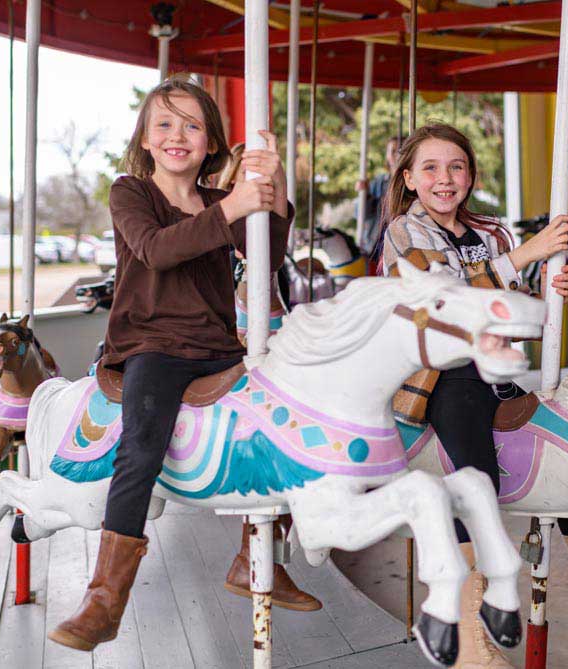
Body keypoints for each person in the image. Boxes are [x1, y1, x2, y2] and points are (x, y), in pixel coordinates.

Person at [380, 124, 568, 668]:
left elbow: (510, 314)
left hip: (497, 373)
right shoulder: (405, 232)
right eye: (430, 168)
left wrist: (540, 296)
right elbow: (443, 300)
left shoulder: (490, 232)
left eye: (456, 167)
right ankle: (470, 640)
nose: (445, 179)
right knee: (475, 483)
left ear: (470, 174)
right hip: (440, 377)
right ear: (408, 179)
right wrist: (527, 257)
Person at [48, 76, 296, 651]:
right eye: (164, 123)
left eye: (192, 125)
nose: (177, 135)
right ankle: (105, 598)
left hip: (218, 346)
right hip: (152, 346)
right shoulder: (130, 192)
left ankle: (258, 553)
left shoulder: (216, 203)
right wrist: (235, 202)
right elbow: (156, 249)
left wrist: (274, 183)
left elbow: (269, 255)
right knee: (141, 444)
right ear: (145, 137)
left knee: (286, 419)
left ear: (211, 142)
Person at [217, 142, 322, 612]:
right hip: (233, 355)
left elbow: (276, 238)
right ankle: (257, 556)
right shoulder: (225, 227)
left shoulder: (264, 234)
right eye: (252, 174)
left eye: (269, 177)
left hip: (267, 347)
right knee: (277, 433)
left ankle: (262, 555)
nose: (261, 184)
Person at [355, 135, 400, 257]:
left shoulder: (415, 182)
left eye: (401, 151)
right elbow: (361, 214)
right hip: (377, 240)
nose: (397, 155)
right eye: (393, 151)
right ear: (387, 155)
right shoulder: (379, 182)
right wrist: (364, 195)